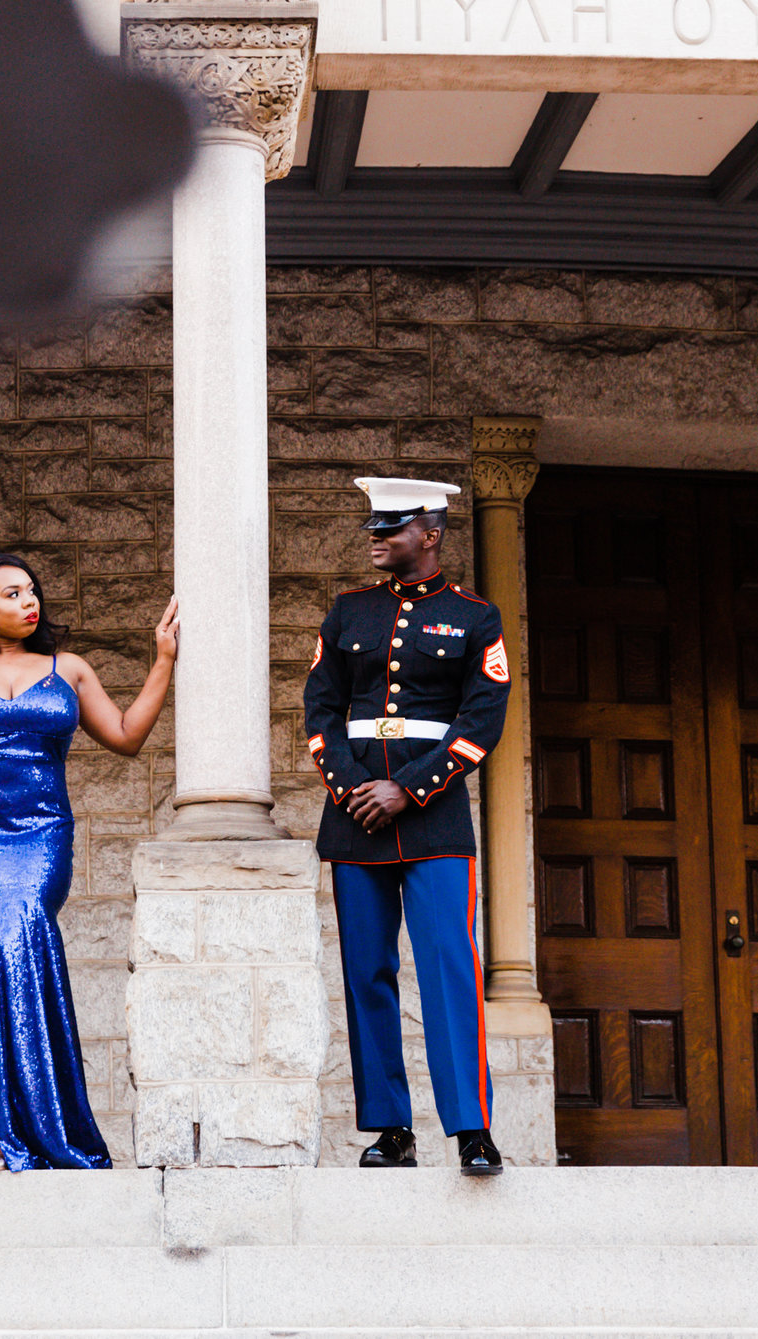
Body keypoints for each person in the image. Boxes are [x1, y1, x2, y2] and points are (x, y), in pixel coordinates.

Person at [0, 551, 179, 1170]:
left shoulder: (67, 668)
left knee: (14, 944)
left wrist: (163, 663)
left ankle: (26, 1125)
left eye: (31, 591)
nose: (28, 601)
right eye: (12, 594)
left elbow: (125, 736)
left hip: (38, 836)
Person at [302, 477, 510, 1174]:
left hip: (433, 816)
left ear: (431, 532)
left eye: (392, 528)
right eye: (373, 527)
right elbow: (320, 709)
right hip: (356, 813)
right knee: (368, 971)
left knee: (449, 967)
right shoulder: (347, 611)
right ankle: (391, 1127)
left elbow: (482, 721)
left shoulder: (475, 616)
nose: (376, 538)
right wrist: (353, 786)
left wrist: (409, 788)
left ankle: (471, 1128)